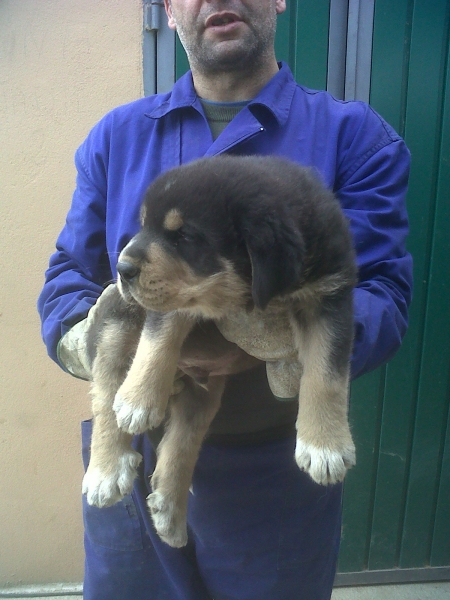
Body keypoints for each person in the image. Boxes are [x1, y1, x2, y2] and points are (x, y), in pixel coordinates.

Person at [37, 1, 413, 599]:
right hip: (133, 451)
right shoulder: (119, 135)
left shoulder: (355, 136)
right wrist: (97, 347)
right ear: (167, 7)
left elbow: (381, 296)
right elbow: (68, 277)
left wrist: (282, 345)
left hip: (275, 468)